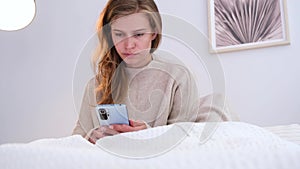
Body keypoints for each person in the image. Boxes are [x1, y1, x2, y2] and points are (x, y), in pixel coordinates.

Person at [72, 0, 233, 144]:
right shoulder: (95, 85)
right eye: (119, 34)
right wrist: (91, 137)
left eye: (139, 34)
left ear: (154, 33)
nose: (128, 45)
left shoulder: (178, 76)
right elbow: (75, 140)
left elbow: (184, 140)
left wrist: (148, 133)